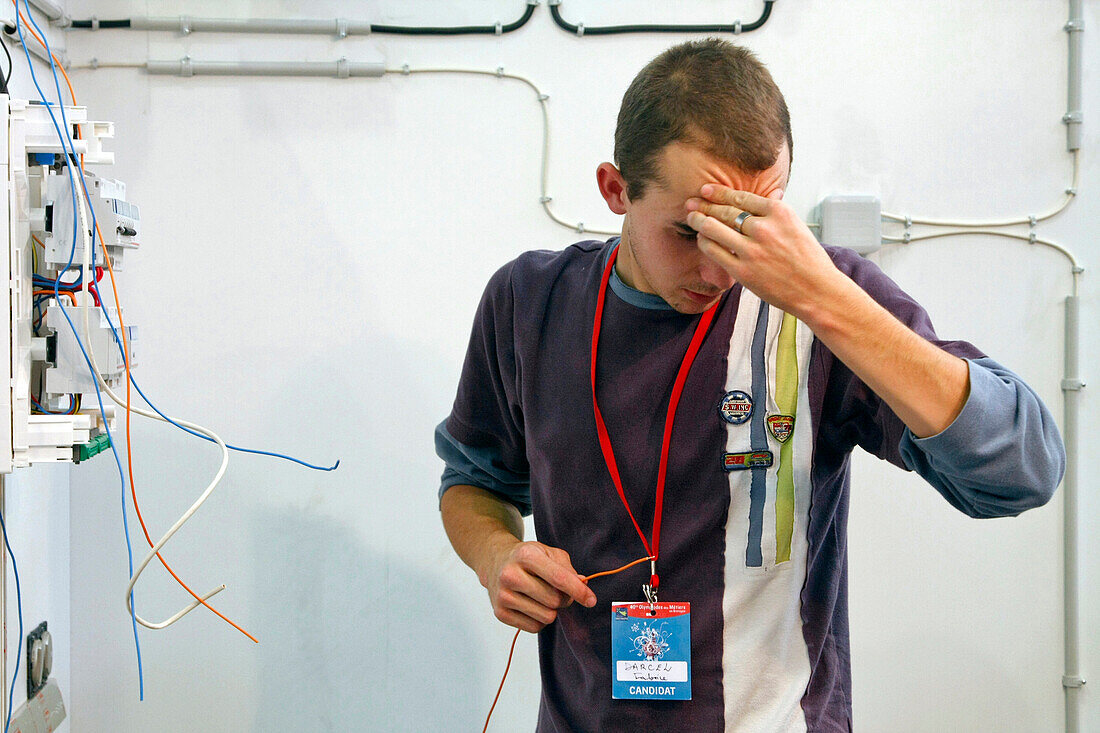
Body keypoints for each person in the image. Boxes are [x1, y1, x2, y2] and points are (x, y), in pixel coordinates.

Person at [434, 39, 1064, 732]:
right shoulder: (529, 300)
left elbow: (1023, 471)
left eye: (748, 225)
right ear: (616, 189)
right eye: (688, 231)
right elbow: (474, 478)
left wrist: (827, 300)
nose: (722, 267)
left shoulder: (822, 301)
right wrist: (496, 556)